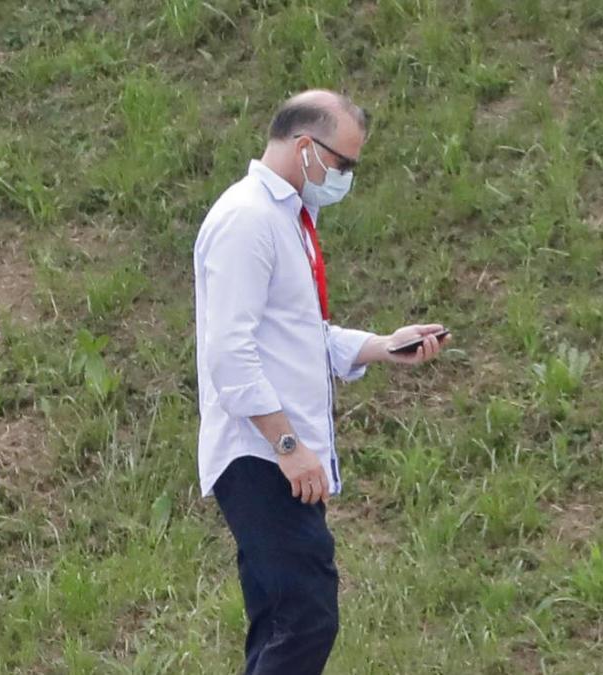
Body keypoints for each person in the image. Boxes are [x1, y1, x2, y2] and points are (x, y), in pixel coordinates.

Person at [192, 89, 449, 674]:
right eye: (343, 163)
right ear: (306, 147)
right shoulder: (248, 219)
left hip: (277, 456)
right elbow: (229, 353)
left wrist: (382, 347)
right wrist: (287, 446)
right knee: (304, 619)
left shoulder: (285, 220)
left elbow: (300, 335)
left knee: (286, 621)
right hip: (261, 456)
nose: (345, 177)